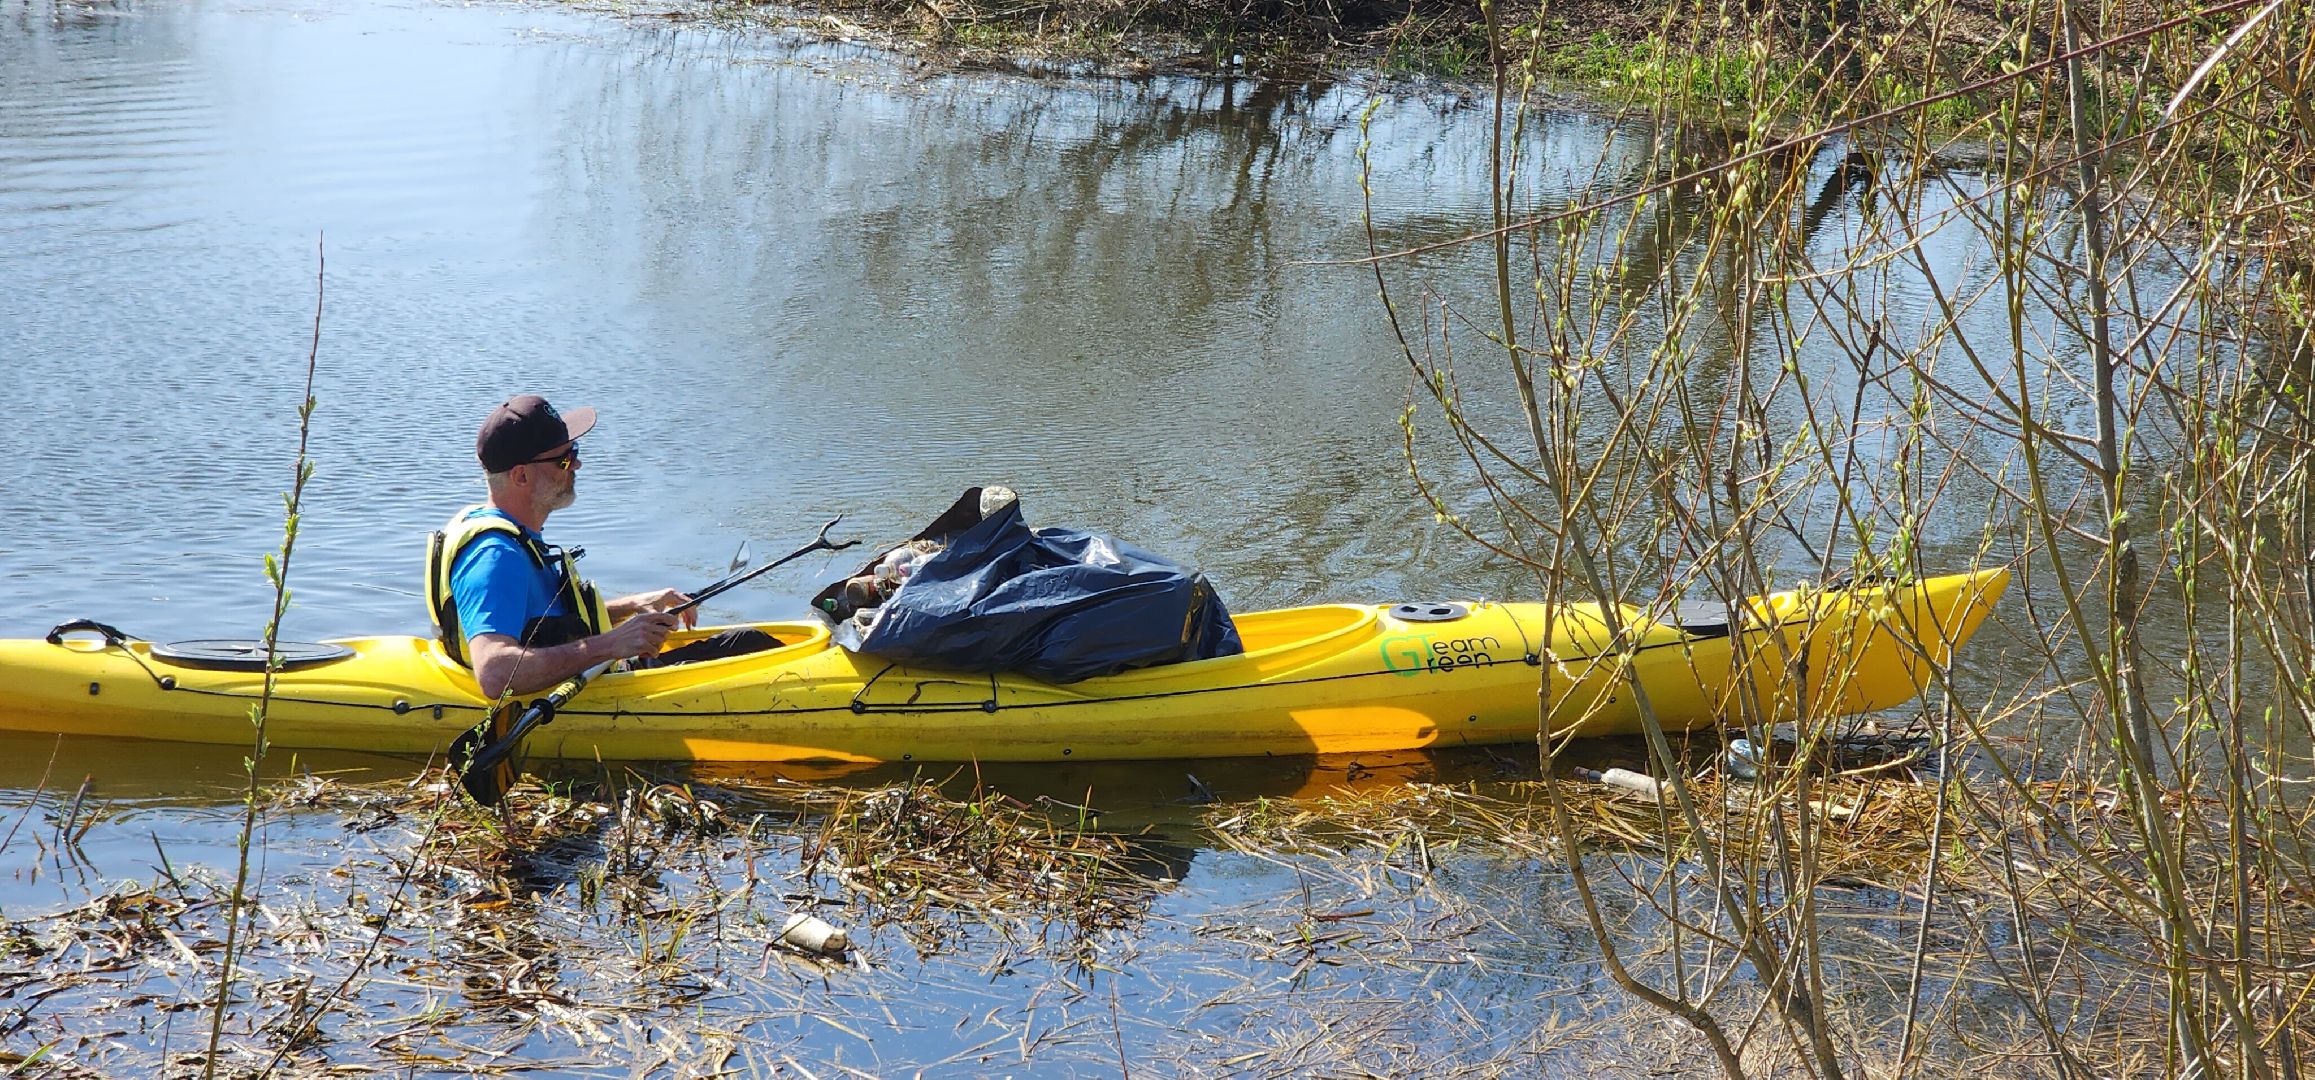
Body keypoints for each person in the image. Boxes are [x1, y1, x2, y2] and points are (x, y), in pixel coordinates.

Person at [424, 394, 773, 700]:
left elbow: (536, 620)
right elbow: (495, 673)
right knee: (760, 663)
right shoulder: (494, 558)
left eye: (574, 452)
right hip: (580, 694)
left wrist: (631, 606)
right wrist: (610, 644)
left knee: (750, 641)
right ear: (521, 476)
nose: (577, 464)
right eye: (564, 459)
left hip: (597, 677)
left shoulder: (515, 533)